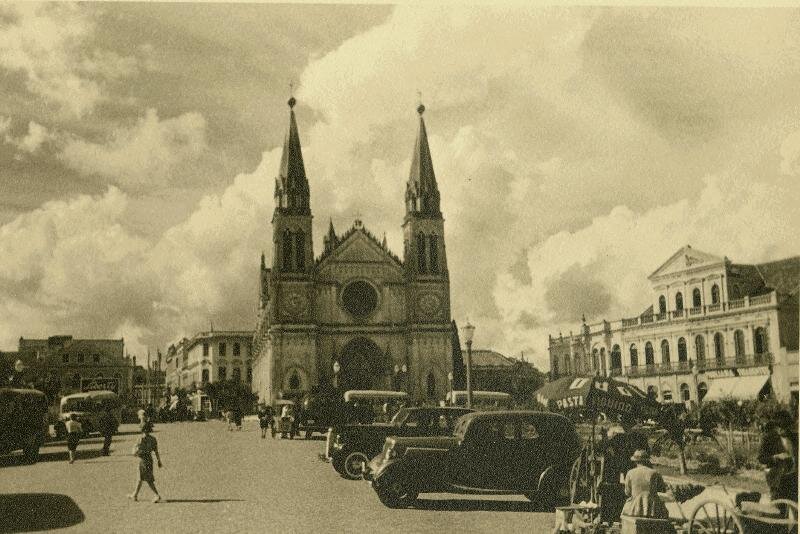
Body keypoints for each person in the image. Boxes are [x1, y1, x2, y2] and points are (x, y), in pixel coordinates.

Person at [758, 411, 798, 503]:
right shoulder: (768, 438)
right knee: (778, 505)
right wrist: (776, 457)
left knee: (793, 505)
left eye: (784, 427)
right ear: (775, 426)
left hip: (793, 477)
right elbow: (761, 458)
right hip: (777, 478)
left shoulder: (794, 438)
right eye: (778, 427)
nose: (781, 430)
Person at [621, 449, 669, 519]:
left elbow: (627, 493)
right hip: (653, 509)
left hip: (634, 508)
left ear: (635, 461)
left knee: (625, 508)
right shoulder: (655, 473)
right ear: (647, 461)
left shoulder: (630, 473)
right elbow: (662, 490)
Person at [128, 422, 163, 503]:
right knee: (140, 478)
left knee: (148, 479)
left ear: (142, 429)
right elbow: (156, 451)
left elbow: (136, 451)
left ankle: (157, 495)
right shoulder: (153, 439)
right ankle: (135, 494)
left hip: (143, 460)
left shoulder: (141, 439)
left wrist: (135, 452)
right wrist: (159, 461)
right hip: (150, 460)